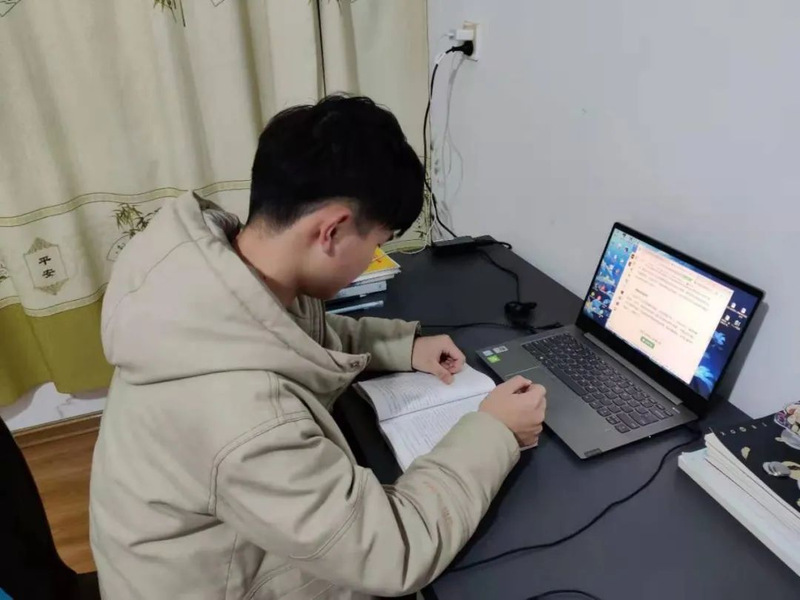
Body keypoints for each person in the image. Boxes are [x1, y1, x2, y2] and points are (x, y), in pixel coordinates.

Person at [90, 95, 547, 599]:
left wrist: (402, 346)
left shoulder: (217, 278)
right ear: (331, 231)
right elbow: (393, 552)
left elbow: (298, 335)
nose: (373, 259)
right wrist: (496, 431)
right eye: (376, 244)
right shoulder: (245, 419)